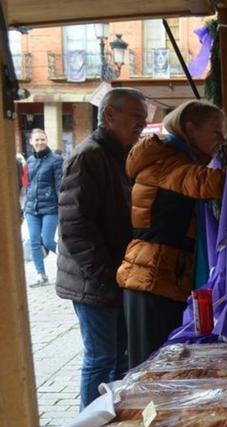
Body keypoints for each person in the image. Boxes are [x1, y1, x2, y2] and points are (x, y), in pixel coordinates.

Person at [117, 100, 226, 368]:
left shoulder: (175, 158)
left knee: (165, 364)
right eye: (216, 132)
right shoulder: (167, 161)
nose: (222, 140)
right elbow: (209, 183)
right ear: (190, 129)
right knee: (151, 367)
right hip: (152, 277)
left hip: (164, 275)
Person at [56, 87, 148, 409]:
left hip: (115, 277)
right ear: (110, 115)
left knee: (120, 356)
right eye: (136, 116)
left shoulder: (119, 154)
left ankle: (109, 420)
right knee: (101, 357)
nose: (142, 124)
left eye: (144, 118)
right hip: (95, 281)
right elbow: (75, 227)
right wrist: (106, 274)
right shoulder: (89, 156)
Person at [23, 129, 64, 287]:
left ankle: (68, 261)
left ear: (46, 140)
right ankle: (41, 275)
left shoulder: (56, 160)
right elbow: (29, 185)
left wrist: (62, 208)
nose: (39, 142)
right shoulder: (30, 160)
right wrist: (26, 205)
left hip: (50, 207)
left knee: (47, 240)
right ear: (31, 142)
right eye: (36, 140)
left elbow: (59, 185)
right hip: (32, 207)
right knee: (34, 241)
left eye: (42, 139)